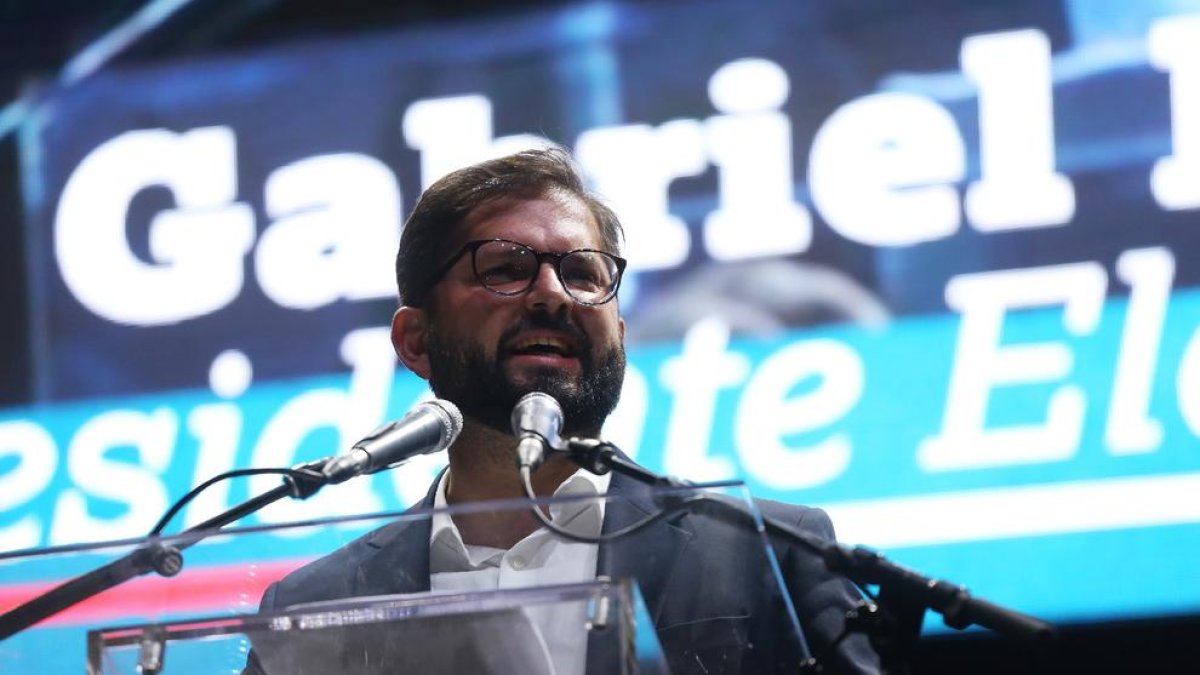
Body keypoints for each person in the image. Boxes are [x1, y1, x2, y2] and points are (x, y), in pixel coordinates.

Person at [251, 146, 880, 674]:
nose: (554, 294)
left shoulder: (763, 550)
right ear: (416, 340)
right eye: (505, 268)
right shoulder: (315, 606)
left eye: (584, 273)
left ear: (620, 334)